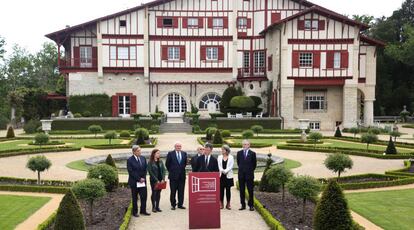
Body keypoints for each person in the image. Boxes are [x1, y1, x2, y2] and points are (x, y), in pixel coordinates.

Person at [127, 145, 150, 217]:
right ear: (134, 152)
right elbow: (131, 171)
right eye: (138, 151)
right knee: (135, 197)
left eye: (140, 150)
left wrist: (143, 178)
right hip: (134, 182)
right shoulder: (129, 160)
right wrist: (139, 179)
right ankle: (135, 212)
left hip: (143, 182)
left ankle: (143, 211)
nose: (140, 152)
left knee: (144, 196)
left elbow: (145, 168)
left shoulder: (143, 158)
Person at [166, 142, 187, 210]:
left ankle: (180, 204)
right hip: (173, 176)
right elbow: (167, 164)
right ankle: (173, 205)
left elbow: (185, 163)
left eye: (180, 146)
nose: (178, 147)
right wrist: (172, 171)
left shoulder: (184, 153)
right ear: (174, 147)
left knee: (181, 191)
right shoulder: (170, 153)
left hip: (182, 176)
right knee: (173, 191)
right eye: (177, 146)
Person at [237, 140, 257, 211]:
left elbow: (254, 165)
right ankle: (243, 205)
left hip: (249, 175)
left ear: (249, 145)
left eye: (246, 144)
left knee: (250, 190)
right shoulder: (239, 153)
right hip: (241, 175)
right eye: (244, 144)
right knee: (242, 190)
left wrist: (249, 171)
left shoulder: (252, 153)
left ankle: (251, 205)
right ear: (242, 145)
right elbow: (238, 163)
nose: (245, 146)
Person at [147, 149, 166, 213]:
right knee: (154, 193)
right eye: (158, 153)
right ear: (154, 154)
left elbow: (164, 170)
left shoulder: (160, 161)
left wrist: (163, 179)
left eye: (159, 153)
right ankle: (153, 207)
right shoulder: (150, 162)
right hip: (154, 180)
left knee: (158, 193)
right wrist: (156, 180)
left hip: (161, 181)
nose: (159, 154)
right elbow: (150, 172)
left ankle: (157, 207)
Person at [218, 144, 234, 210]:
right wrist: (222, 170)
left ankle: (228, 203)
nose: (222, 150)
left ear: (227, 150)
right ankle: (221, 203)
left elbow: (231, 166)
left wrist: (226, 171)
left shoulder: (231, 157)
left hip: (228, 176)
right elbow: (218, 165)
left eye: (223, 149)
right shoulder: (219, 157)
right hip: (221, 176)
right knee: (221, 190)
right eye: (222, 149)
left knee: (228, 190)